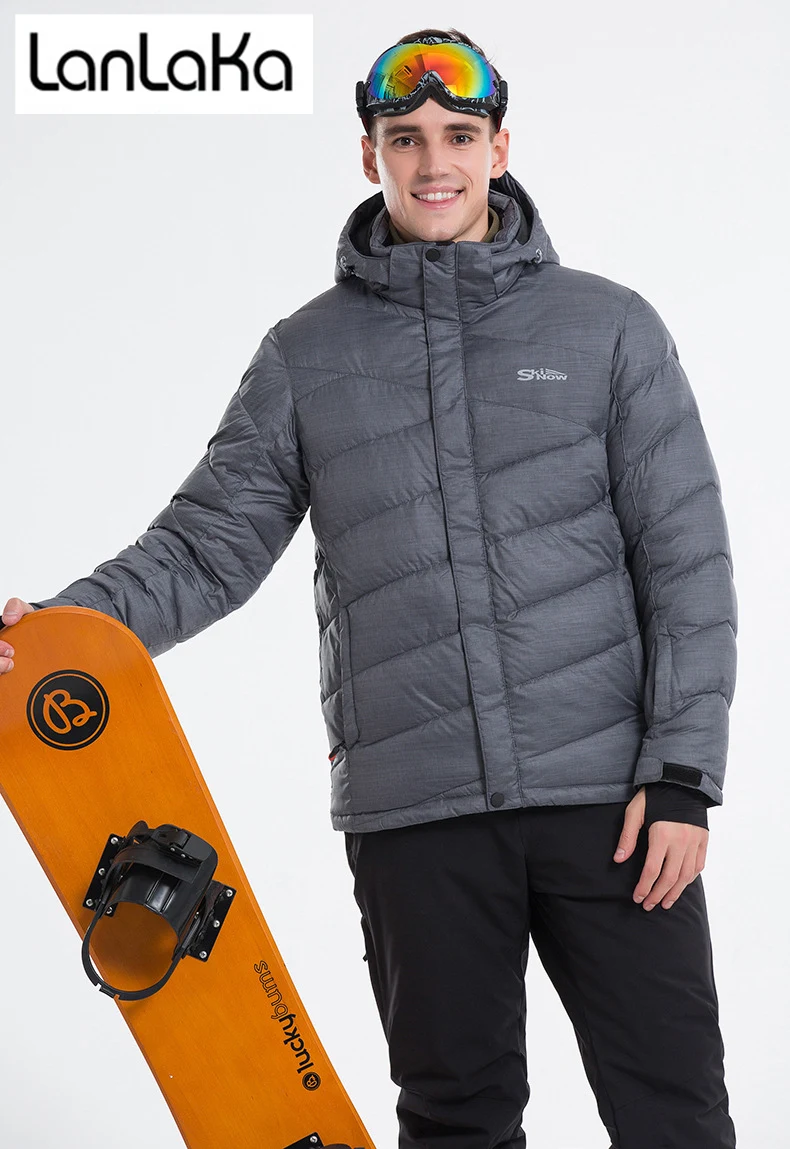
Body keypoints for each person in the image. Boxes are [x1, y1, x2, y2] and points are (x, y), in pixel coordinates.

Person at [1, 26, 737, 1149]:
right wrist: (60, 632)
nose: (434, 162)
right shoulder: (306, 355)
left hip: (613, 808)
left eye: (458, 135)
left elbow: (686, 562)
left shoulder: (609, 329)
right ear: (369, 155)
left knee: (674, 1111)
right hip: (415, 816)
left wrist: (682, 777)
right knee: (454, 1118)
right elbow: (206, 546)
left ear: (499, 149)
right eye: (406, 138)